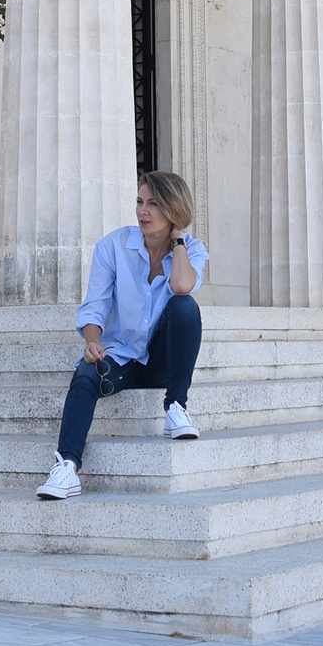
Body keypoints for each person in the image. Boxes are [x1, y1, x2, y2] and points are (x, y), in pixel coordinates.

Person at [38, 171, 209, 499]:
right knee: (86, 375)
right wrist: (93, 342)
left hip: (161, 360)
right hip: (120, 356)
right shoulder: (113, 246)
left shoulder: (192, 251)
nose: (143, 212)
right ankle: (67, 467)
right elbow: (94, 307)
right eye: (140, 202)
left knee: (184, 307)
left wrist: (178, 242)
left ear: (174, 209)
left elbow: (182, 286)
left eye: (154, 204)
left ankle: (175, 407)